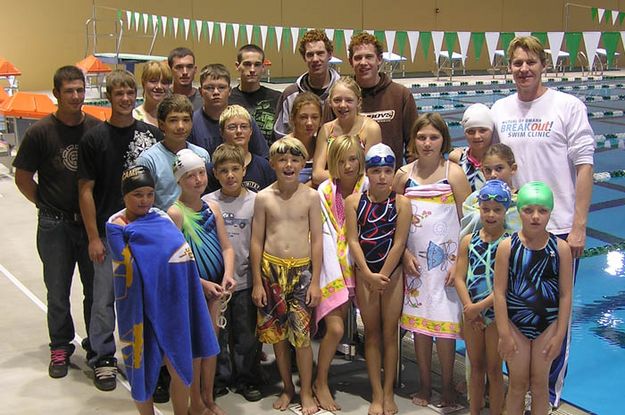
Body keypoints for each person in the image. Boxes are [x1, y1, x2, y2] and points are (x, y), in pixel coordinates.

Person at [490, 35, 594, 406]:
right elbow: (493, 163)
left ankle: (547, 396)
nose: (523, 69)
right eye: (517, 63)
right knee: (516, 312)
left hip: (560, 228)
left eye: (530, 62)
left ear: (542, 65)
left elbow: (585, 167)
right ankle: (518, 390)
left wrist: (579, 225)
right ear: (509, 68)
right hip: (517, 232)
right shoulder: (501, 110)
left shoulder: (567, 105)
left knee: (554, 318)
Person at [107, 166, 219, 415]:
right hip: (138, 307)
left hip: (174, 302)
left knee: (180, 365)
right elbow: (131, 267)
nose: (145, 200)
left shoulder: (160, 217)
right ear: (124, 195)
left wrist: (197, 284)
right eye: (138, 195)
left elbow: (182, 258)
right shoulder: (116, 226)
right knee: (142, 367)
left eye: (149, 193)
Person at [13, 65, 101, 378]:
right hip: (55, 225)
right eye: (69, 91)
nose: (76, 96)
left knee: (95, 289)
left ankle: (98, 346)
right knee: (58, 289)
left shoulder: (95, 128)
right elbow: (22, 177)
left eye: (80, 90)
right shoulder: (40, 132)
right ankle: (60, 345)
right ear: (56, 94)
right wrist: (45, 203)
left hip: (90, 226)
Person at [78, 69, 162, 391]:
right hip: (110, 233)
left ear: (136, 95)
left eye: (130, 93)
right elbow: (85, 190)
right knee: (103, 300)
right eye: (119, 94)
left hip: (145, 232)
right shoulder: (94, 138)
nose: (125, 99)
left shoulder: (150, 135)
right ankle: (103, 356)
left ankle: (145, 354)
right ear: (109, 97)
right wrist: (94, 237)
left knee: (144, 297)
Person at [393, 113, 471, 408]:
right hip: (415, 264)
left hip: (448, 265)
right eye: (421, 137)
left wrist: (459, 263)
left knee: (446, 327)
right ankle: (425, 385)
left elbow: (469, 222)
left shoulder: (454, 174)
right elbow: (394, 220)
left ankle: (447, 387)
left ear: (443, 141)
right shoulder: (404, 175)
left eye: (433, 137)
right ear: (413, 140)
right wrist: (403, 254)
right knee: (420, 327)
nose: (427, 143)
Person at [251, 137, 322, 415]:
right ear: (272, 164)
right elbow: (257, 240)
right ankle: (287, 388)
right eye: (282, 160)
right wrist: (258, 281)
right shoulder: (264, 197)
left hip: (302, 273)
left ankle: (305, 390)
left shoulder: (311, 196)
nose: (288, 165)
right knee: (278, 338)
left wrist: (315, 281)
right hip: (271, 272)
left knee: (302, 338)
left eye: (294, 160)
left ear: (303, 163)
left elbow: (317, 239)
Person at [493, 181, 573, 415]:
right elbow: (498, 293)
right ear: (519, 212)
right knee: (516, 386)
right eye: (528, 210)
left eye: (542, 211)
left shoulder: (561, 249)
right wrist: (504, 333)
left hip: (547, 327)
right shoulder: (507, 247)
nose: (535, 217)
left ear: (550, 212)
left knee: (540, 385)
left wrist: (559, 335)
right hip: (514, 326)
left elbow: (566, 295)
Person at [167, 149, 236, 415]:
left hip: (217, 290)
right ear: (179, 181)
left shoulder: (213, 208)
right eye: (189, 176)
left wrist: (228, 274)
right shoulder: (175, 214)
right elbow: (175, 264)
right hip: (193, 292)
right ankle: (195, 403)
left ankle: (208, 398)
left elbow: (227, 248)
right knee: (196, 351)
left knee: (211, 349)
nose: (197, 180)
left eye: (199, 174)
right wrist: (203, 284)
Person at [345, 143, 411, 415]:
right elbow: (352, 240)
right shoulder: (354, 201)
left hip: (391, 275)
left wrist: (382, 275)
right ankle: (375, 393)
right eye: (376, 171)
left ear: (394, 172)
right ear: (366, 172)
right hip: (366, 275)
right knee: (371, 334)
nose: (382, 176)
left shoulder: (402, 202)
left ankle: (388, 392)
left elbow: (399, 243)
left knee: (389, 333)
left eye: (387, 170)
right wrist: (368, 275)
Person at [204, 143, 262, 402]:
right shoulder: (207, 203)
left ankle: (246, 378)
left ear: (244, 169)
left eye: (235, 169)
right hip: (217, 283)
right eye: (224, 170)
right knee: (217, 333)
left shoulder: (255, 202)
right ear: (215, 173)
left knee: (246, 334)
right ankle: (219, 378)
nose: (230, 175)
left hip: (245, 280)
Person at [313, 135, 368, 411]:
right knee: (335, 328)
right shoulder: (324, 190)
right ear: (332, 162)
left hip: (363, 265)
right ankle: (320, 382)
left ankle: (380, 387)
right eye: (341, 160)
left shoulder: (369, 187)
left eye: (353, 159)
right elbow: (322, 232)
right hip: (331, 265)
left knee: (374, 329)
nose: (348, 166)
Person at [454, 180, 511, 415]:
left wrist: (478, 307)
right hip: (471, 312)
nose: (490, 214)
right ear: (479, 208)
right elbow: (459, 277)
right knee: (476, 368)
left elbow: (505, 286)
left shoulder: (509, 243)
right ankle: (474, 411)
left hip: (496, 315)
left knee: (495, 371)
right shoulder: (468, 241)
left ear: (506, 210)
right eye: (485, 208)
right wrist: (469, 307)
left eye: (497, 210)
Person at [347, 32, 418, 165]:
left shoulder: (401, 95)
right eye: (358, 58)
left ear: (379, 59)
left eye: (369, 57)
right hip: (349, 180)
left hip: (389, 180)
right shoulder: (341, 97)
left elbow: (413, 145)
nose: (363, 62)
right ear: (350, 61)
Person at [137, 94, 209, 211]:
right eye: (173, 120)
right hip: (164, 225)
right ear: (161, 124)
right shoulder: (148, 160)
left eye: (186, 120)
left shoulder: (202, 155)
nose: (180, 126)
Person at [312, 76, 382, 186]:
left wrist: (337, 174)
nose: (343, 105)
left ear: (358, 101)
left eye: (349, 100)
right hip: (334, 194)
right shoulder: (326, 130)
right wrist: (351, 175)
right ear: (330, 102)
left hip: (362, 193)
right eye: (337, 100)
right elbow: (317, 175)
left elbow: (371, 172)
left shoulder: (371, 128)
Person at [189, 63, 269, 159]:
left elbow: (263, 156)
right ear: (201, 91)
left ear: (230, 91)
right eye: (209, 88)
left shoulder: (244, 119)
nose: (216, 92)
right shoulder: (191, 123)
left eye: (221, 87)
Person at [274, 29, 340, 139]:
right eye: (310, 54)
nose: (315, 59)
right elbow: (280, 137)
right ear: (304, 57)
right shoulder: (291, 95)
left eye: (320, 53)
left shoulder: (343, 93)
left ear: (330, 55)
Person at [207, 105, 275, 193]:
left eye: (244, 126)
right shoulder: (212, 169)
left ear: (251, 131)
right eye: (232, 127)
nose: (239, 131)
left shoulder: (264, 167)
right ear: (222, 132)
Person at [460, 143, 521, 238]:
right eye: (488, 170)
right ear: (482, 171)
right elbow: (466, 234)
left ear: (513, 169)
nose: (493, 174)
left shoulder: (523, 200)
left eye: (499, 169)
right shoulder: (473, 200)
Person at [230, 44, 281, 146]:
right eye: (247, 64)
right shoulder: (228, 99)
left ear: (263, 67)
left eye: (257, 65)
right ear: (237, 66)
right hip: (235, 158)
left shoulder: (277, 98)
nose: (252, 70)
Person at [449, 103, 494, 192]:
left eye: (483, 130)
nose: (476, 136)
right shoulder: (456, 158)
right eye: (471, 131)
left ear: (491, 131)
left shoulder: (500, 159)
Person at [282, 92, 322, 185]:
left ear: (321, 120)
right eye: (303, 117)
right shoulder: (282, 147)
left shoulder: (322, 146)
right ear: (292, 119)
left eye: (315, 117)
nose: (309, 123)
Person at [133, 60, 173, 126]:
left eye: (164, 82)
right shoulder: (133, 118)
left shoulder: (174, 118)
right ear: (143, 83)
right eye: (153, 81)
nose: (159, 87)